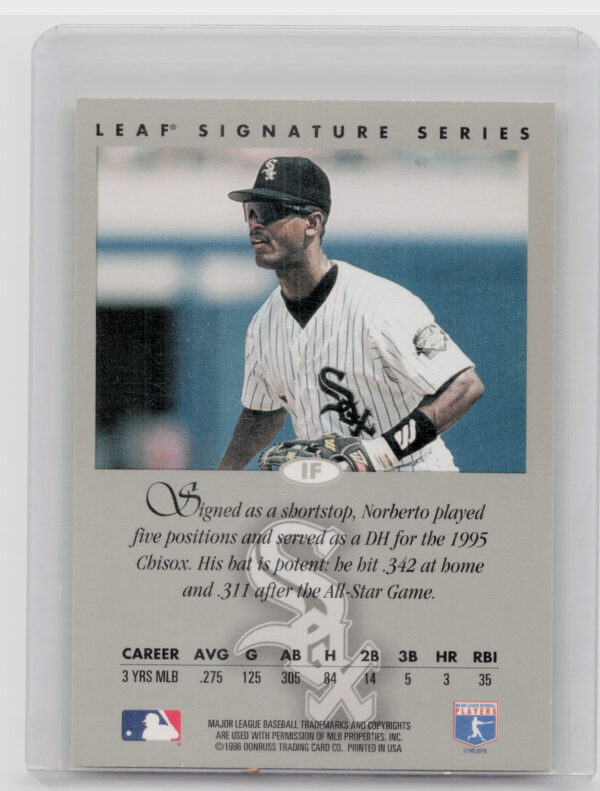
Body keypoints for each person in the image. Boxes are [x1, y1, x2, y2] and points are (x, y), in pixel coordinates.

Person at [219, 157, 483, 471]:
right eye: (249, 211)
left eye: (268, 211)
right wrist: (223, 478)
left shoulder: (380, 304)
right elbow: (261, 412)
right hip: (339, 489)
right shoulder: (263, 324)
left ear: (312, 223)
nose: (255, 224)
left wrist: (381, 452)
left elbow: (464, 386)